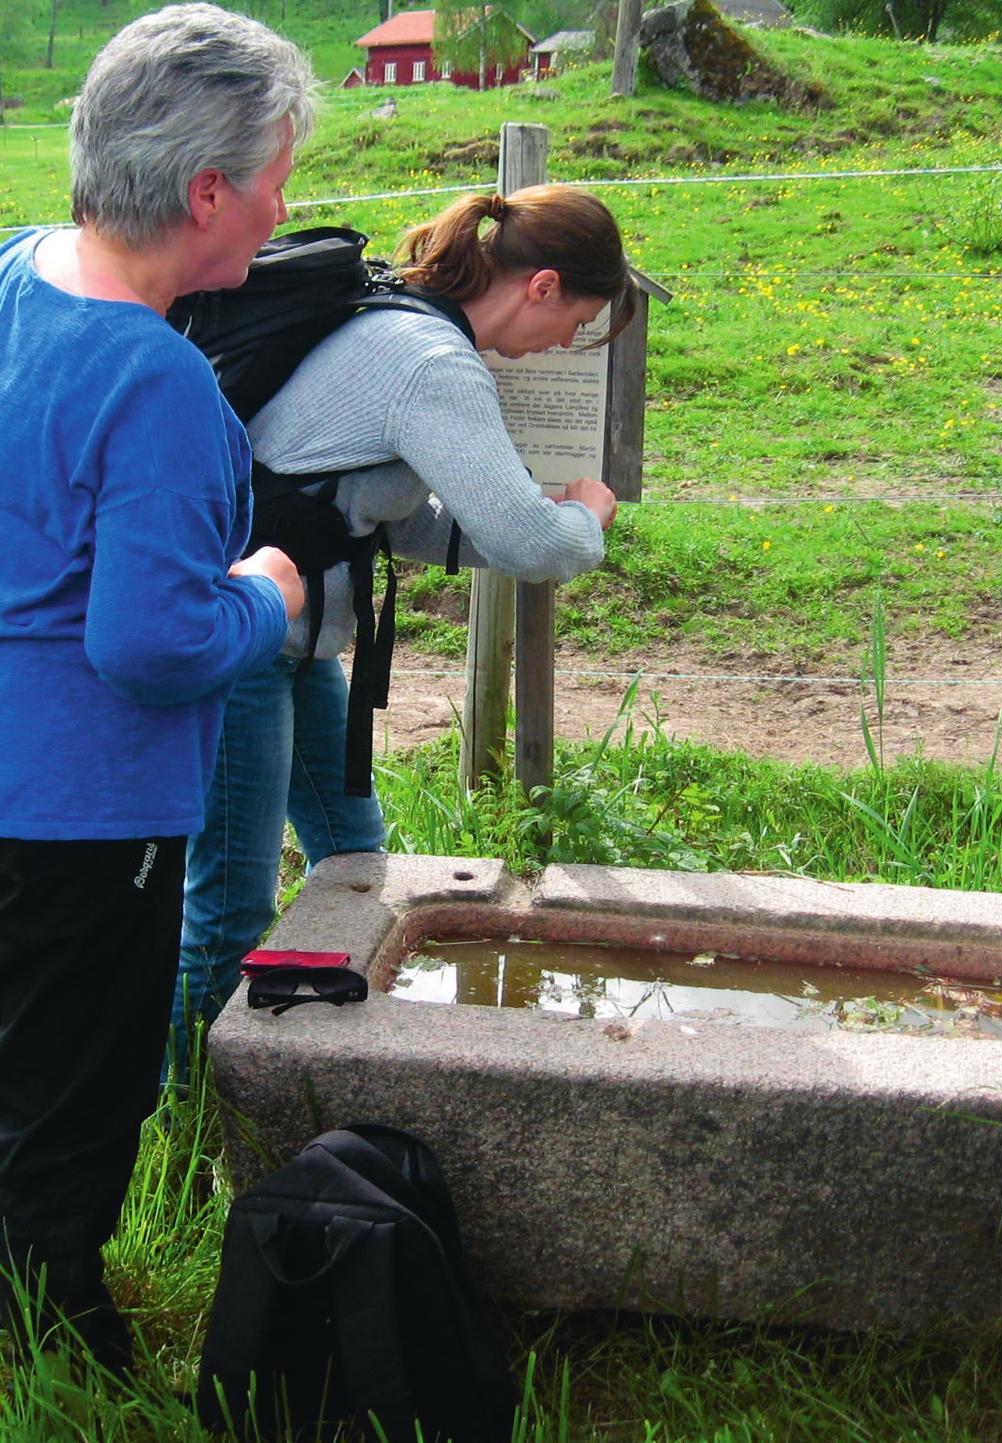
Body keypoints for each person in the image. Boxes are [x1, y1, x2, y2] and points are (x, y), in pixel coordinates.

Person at [0, 3, 318, 1373]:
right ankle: (59, 1342)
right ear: (205, 192)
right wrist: (270, 593)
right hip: (85, 808)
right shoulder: (161, 385)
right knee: (78, 1083)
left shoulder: (13, 276)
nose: (282, 210)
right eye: (275, 180)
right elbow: (150, 643)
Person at [172, 183, 636, 1074]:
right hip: (246, 643)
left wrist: (507, 514)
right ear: (541, 287)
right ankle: (189, 1114)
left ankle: (329, 1063)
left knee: (351, 861)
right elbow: (538, 543)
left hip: (297, 644)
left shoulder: (400, 324)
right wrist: (584, 520)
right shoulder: (430, 358)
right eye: (576, 322)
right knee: (228, 906)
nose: (565, 345)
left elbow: (366, 513)